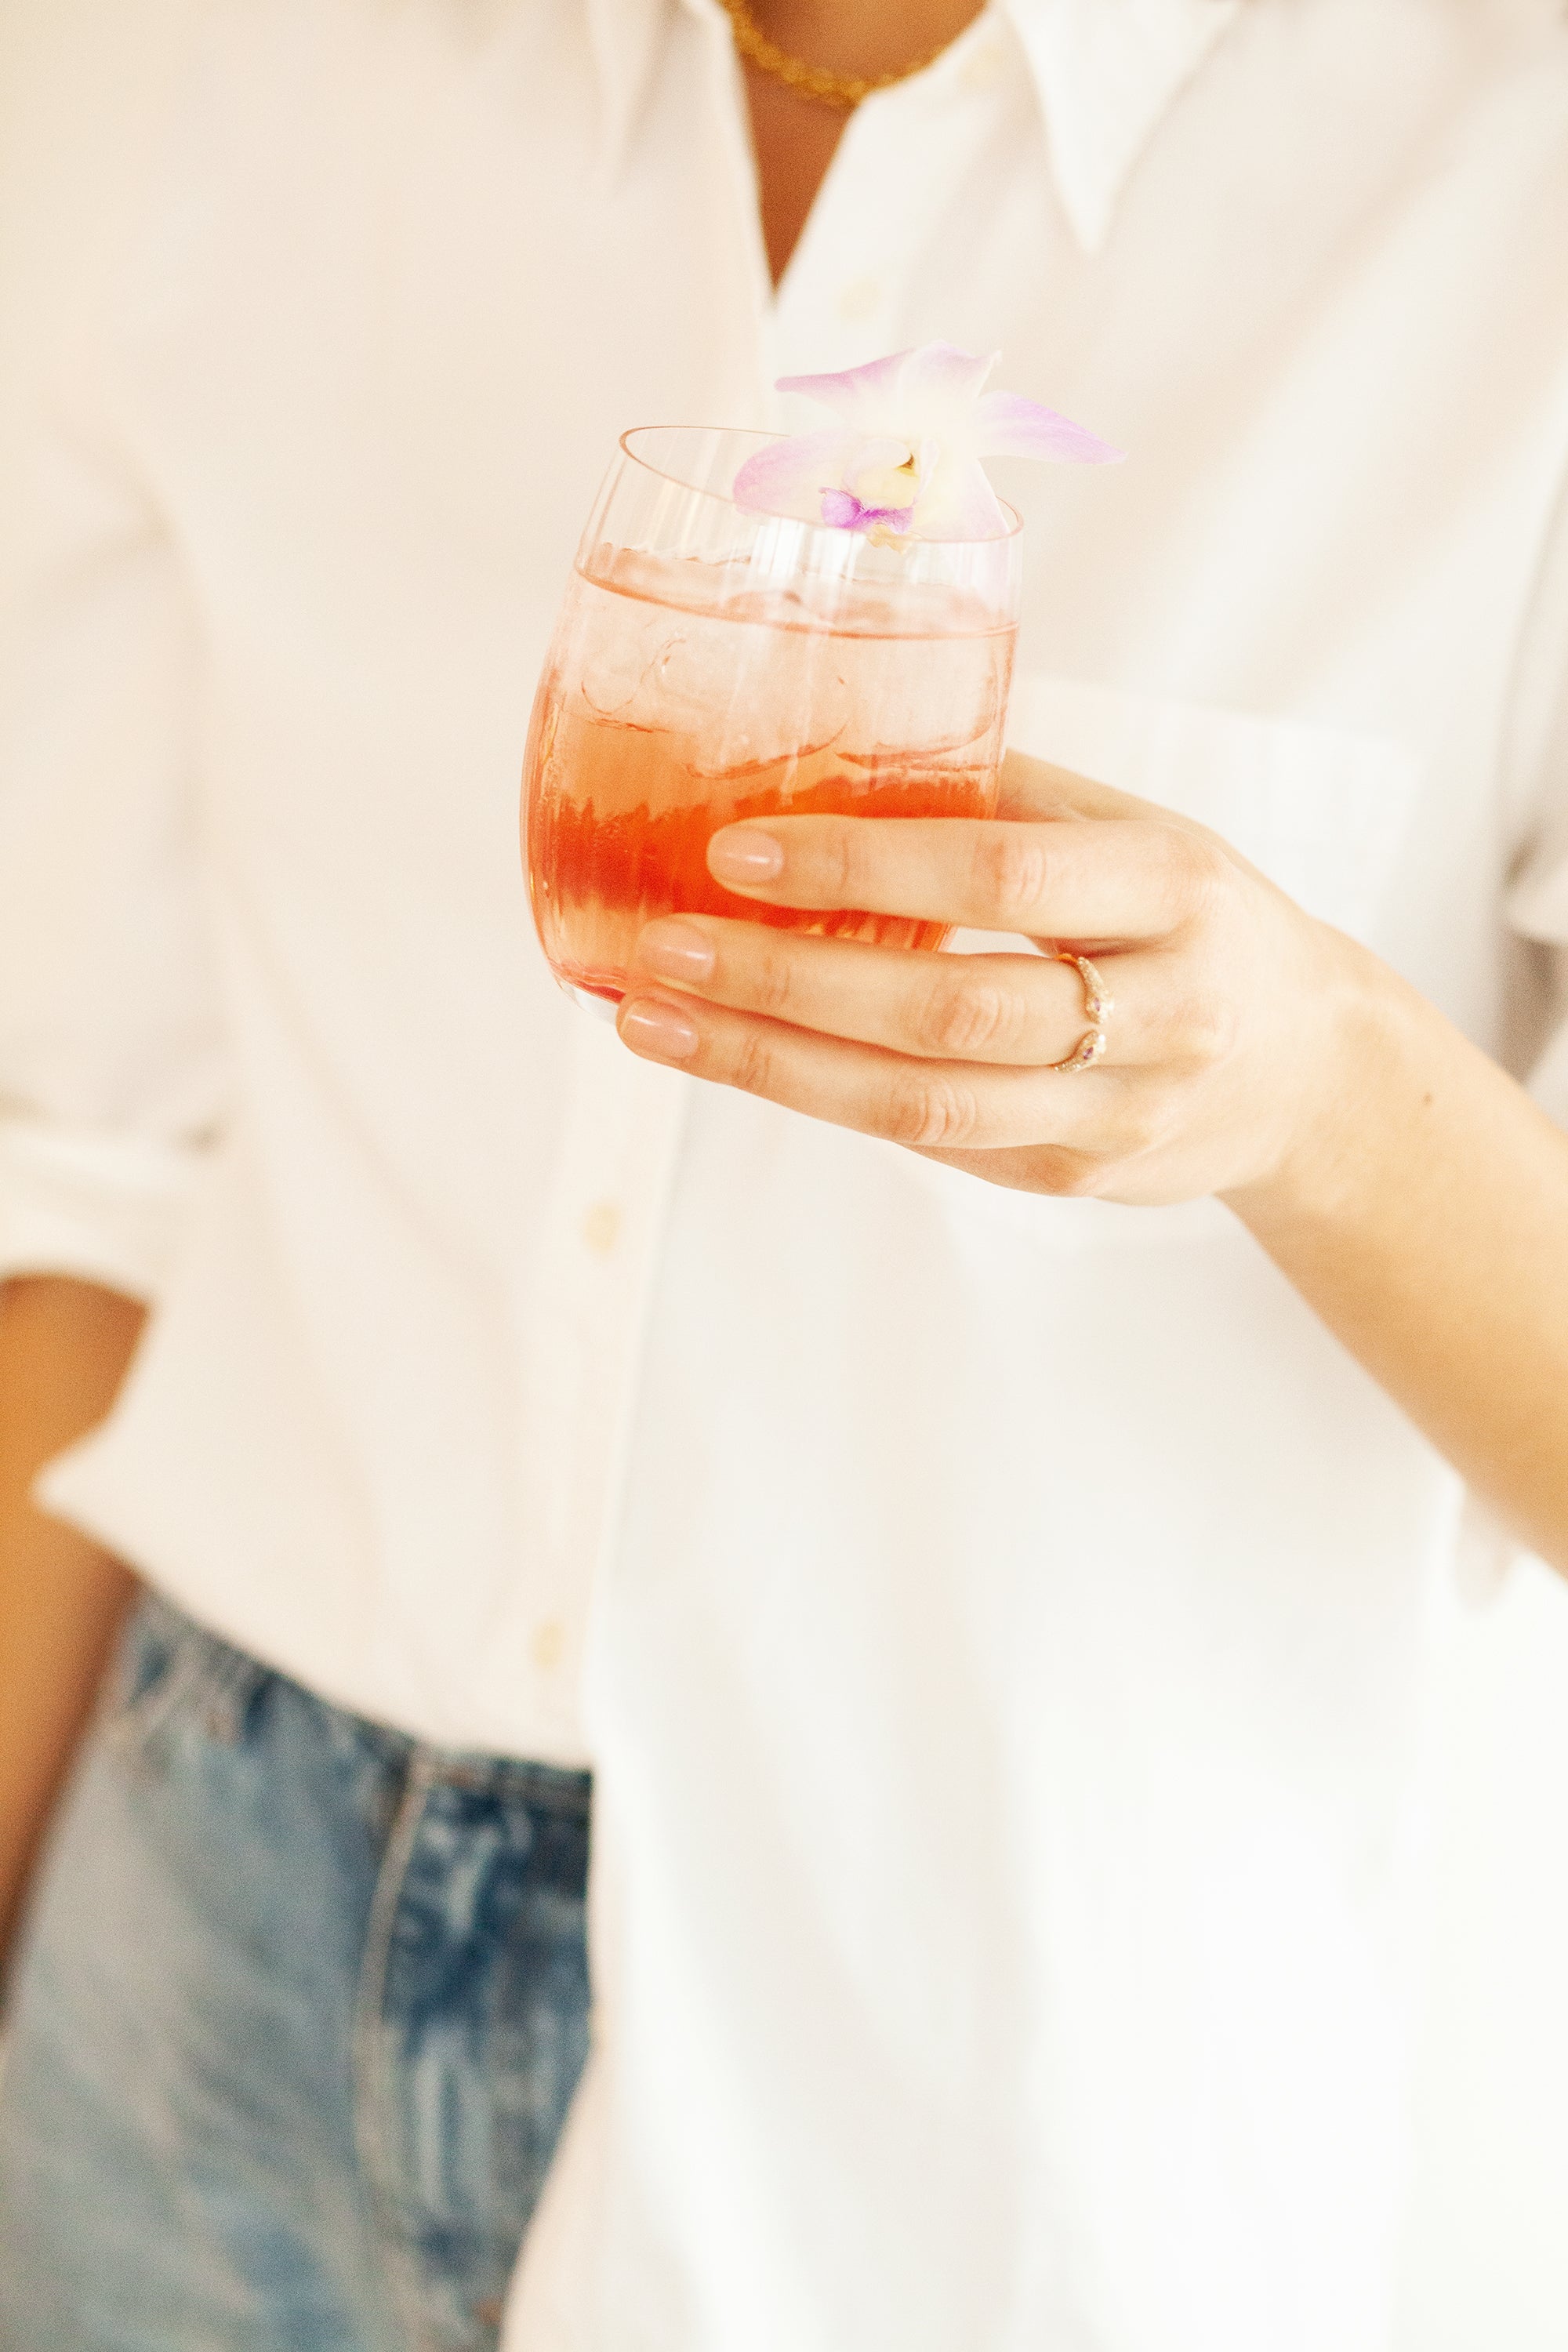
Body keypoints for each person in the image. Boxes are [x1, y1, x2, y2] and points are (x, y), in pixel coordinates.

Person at [2, 0, 1566, 2346]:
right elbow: (96, 1200)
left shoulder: (1503, 173)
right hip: (195, 1930)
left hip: (973, 2098)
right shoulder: (241, 70)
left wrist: (1324, 1084)